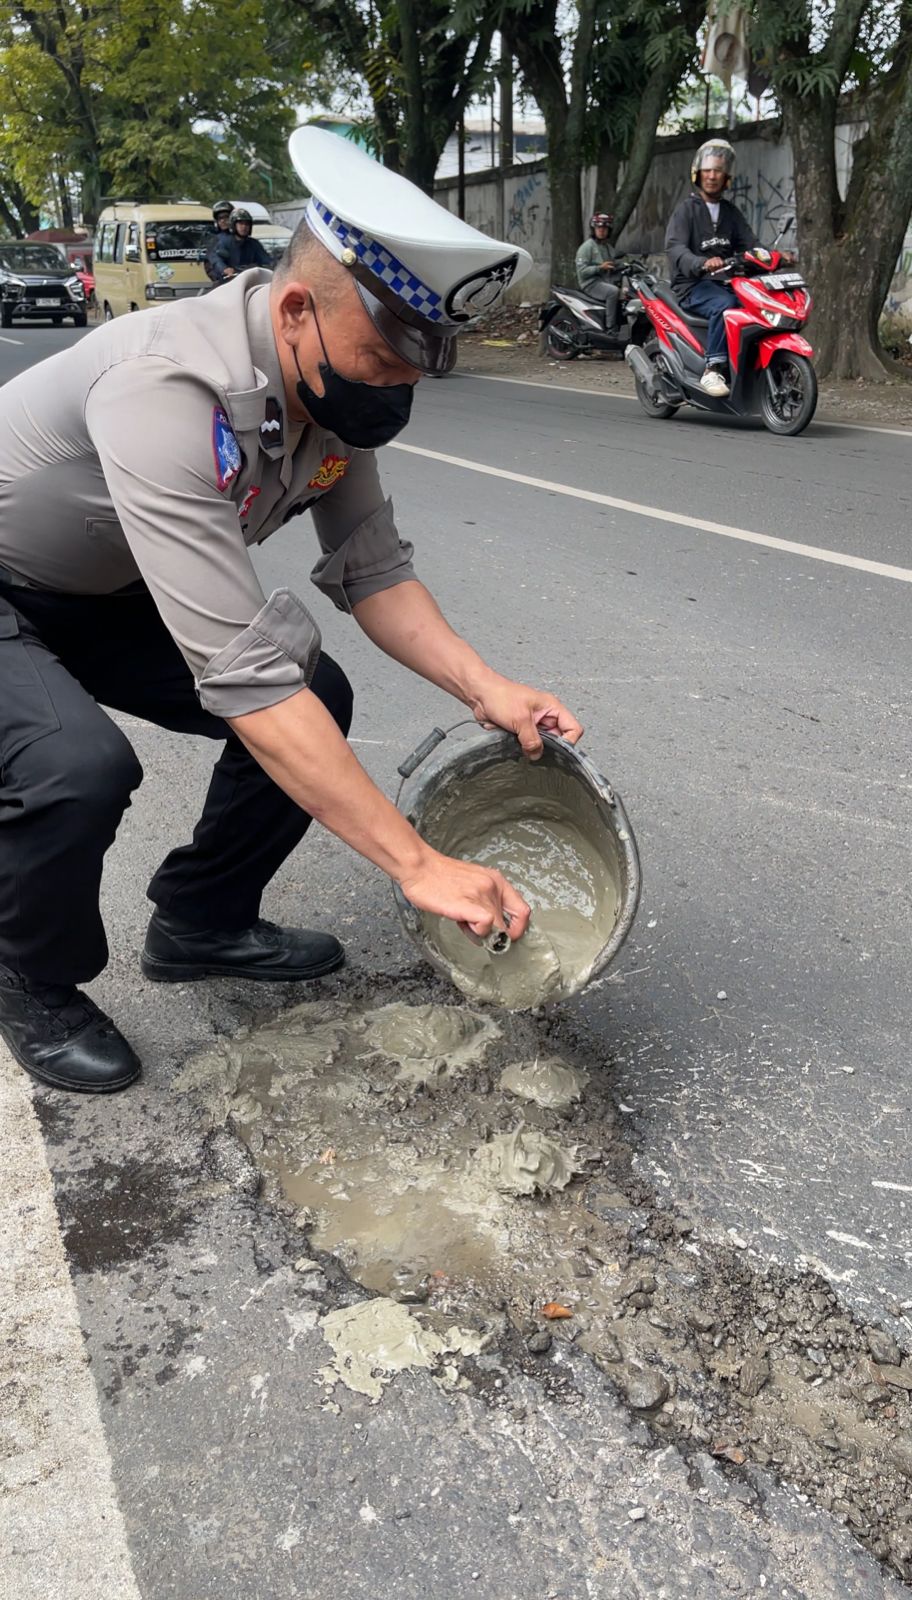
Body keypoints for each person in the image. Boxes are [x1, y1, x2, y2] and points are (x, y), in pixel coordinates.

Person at [0, 125, 583, 1095]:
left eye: (420, 368)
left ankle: (200, 917)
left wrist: (492, 690)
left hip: (101, 584)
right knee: (77, 766)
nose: (399, 389)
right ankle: (29, 978)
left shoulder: (326, 400)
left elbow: (375, 574)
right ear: (301, 307)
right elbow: (246, 682)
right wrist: (416, 863)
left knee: (320, 687)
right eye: (387, 359)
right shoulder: (167, 388)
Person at [665, 139, 757, 398]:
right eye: (708, 170)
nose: (713, 176)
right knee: (725, 304)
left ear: (726, 176)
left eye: (718, 170)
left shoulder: (731, 212)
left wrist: (775, 256)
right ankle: (713, 368)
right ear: (698, 173)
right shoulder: (685, 211)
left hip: (724, 282)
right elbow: (675, 249)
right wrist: (701, 263)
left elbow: (750, 243)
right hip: (692, 285)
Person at [211, 206, 270, 282]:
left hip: (250, 280)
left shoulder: (254, 244)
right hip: (229, 281)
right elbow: (216, 259)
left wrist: (271, 266)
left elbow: (266, 260)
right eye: (241, 224)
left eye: (247, 224)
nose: (244, 227)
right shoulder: (224, 242)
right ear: (233, 225)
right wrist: (225, 269)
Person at [575, 212, 618, 307]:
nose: (601, 231)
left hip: (605, 280)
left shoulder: (608, 248)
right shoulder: (587, 247)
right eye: (598, 228)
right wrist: (600, 267)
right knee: (613, 292)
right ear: (594, 229)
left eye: (604, 228)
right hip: (591, 283)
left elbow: (616, 261)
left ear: (609, 230)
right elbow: (582, 272)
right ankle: (610, 322)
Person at [204, 199, 233, 283]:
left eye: (226, 217)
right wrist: (224, 269)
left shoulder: (241, 237)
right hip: (222, 281)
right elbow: (213, 258)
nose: (223, 220)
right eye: (220, 218)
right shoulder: (213, 239)